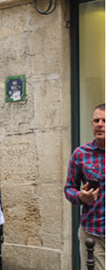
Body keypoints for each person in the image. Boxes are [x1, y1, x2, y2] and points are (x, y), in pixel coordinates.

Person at [65, 103, 105, 270]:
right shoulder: (81, 154)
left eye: (104, 120)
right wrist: (80, 197)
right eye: (96, 120)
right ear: (91, 124)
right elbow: (69, 188)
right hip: (93, 233)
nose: (100, 124)